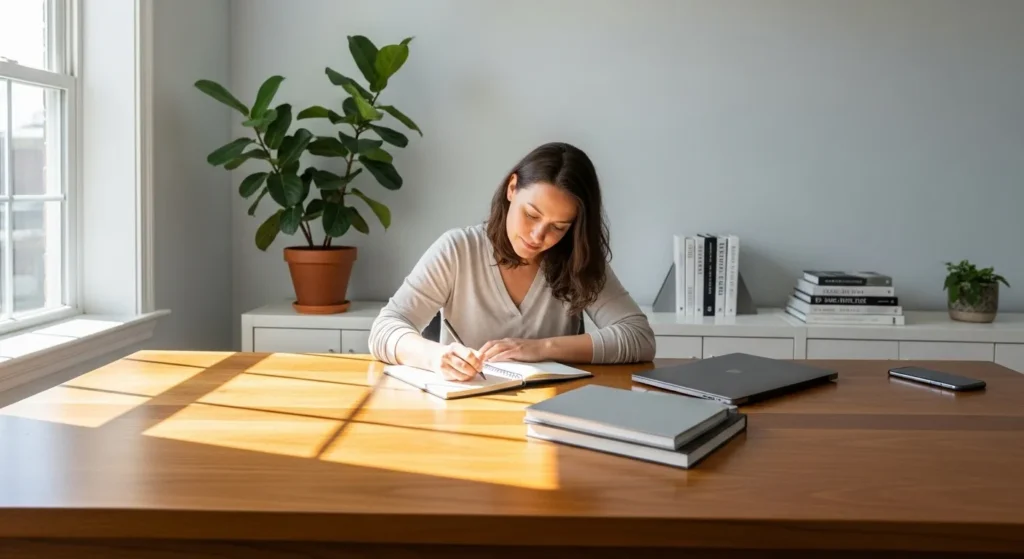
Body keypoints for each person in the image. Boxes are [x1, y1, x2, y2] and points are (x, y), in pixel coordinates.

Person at [368, 141, 656, 381]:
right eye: (531, 215)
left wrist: (541, 348)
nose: (537, 236)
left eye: (558, 227)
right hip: (464, 411)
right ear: (512, 188)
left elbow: (639, 338)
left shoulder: (577, 259)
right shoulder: (458, 250)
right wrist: (435, 357)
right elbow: (385, 328)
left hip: (554, 414)